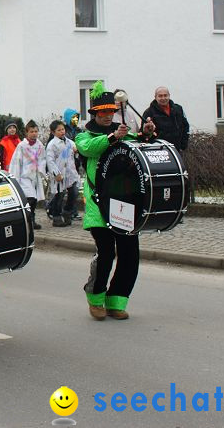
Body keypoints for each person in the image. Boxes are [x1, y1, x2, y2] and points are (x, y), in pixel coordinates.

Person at [76, 82, 156, 321]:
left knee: (130, 254)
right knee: (106, 253)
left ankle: (117, 300)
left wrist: (147, 133)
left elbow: (139, 145)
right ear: (94, 114)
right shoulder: (84, 135)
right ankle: (96, 297)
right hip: (99, 206)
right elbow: (89, 149)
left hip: (124, 204)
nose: (107, 115)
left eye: (110, 112)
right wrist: (112, 137)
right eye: (102, 112)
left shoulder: (124, 133)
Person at [9, 120, 46, 230]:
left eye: (36, 131)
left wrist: (41, 170)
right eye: (31, 131)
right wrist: (15, 177)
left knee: (34, 200)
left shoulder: (40, 145)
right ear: (27, 133)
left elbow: (42, 159)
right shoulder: (22, 146)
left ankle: (31, 219)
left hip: (35, 176)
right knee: (31, 198)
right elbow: (16, 162)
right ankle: (28, 220)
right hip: (24, 177)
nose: (34, 133)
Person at [46, 120, 80, 227]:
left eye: (63, 129)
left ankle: (67, 212)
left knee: (74, 192)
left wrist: (76, 150)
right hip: (59, 174)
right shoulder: (52, 145)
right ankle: (56, 217)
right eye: (59, 130)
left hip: (70, 173)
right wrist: (56, 173)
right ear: (53, 132)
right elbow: (50, 161)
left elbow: (75, 148)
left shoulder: (68, 142)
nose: (62, 132)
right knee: (59, 195)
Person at [142, 87, 190, 151]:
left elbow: (185, 126)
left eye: (165, 95)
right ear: (155, 97)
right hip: (159, 151)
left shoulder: (178, 109)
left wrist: (183, 145)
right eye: (160, 96)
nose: (163, 98)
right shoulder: (149, 112)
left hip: (177, 150)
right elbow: (143, 134)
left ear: (169, 96)